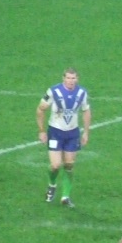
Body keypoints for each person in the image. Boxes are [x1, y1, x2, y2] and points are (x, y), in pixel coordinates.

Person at [36, 67, 91, 208]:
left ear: (77, 79)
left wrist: (86, 132)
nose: (71, 81)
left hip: (72, 133)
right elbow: (40, 109)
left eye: (73, 78)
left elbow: (86, 111)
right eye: (68, 78)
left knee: (69, 165)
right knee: (55, 166)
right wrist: (41, 131)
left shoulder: (82, 93)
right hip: (55, 132)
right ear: (63, 78)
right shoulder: (53, 91)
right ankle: (52, 185)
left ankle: (65, 197)